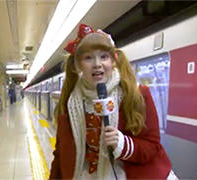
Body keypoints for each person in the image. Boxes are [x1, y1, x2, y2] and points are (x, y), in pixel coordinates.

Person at [49, 24, 177, 179]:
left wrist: (123, 144)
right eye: (88, 58)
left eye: (104, 56)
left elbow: (152, 146)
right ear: (78, 65)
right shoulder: (70, 103)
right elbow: (60, 154)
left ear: (113, 61)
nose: (97, 64)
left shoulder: (136, 95)